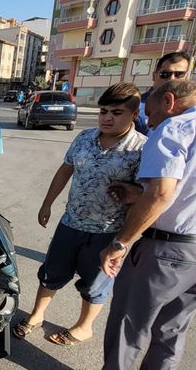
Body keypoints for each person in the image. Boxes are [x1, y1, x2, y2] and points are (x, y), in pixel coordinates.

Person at [12, 83, 147, 346]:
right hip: (71, 222)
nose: (107, 117)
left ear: (133, 114)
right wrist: (47, 203)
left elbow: (150, 195)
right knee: (52, 272)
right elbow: (66, 170)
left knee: (94, 285)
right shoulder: (84, 138)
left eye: (116, 112)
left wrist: (127, 236)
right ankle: (36, 315)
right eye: (103, 111)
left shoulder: (142, 149)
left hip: (109, 232)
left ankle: (84, 327)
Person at [100, 80, 196, 370]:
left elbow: (161, 193)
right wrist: (139, 195)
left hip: (166, 251)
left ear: (168, 102)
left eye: (151, 114)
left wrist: (121, 242)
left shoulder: (176, 128)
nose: (149, 122)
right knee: (171, 333)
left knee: (128, 330)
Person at [134, 51, 190, 135]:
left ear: (186, 77)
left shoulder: (190, 110)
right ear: (154, 76)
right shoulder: (135, 105)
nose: (172, 79)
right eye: (165, 74)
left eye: (179, 74)